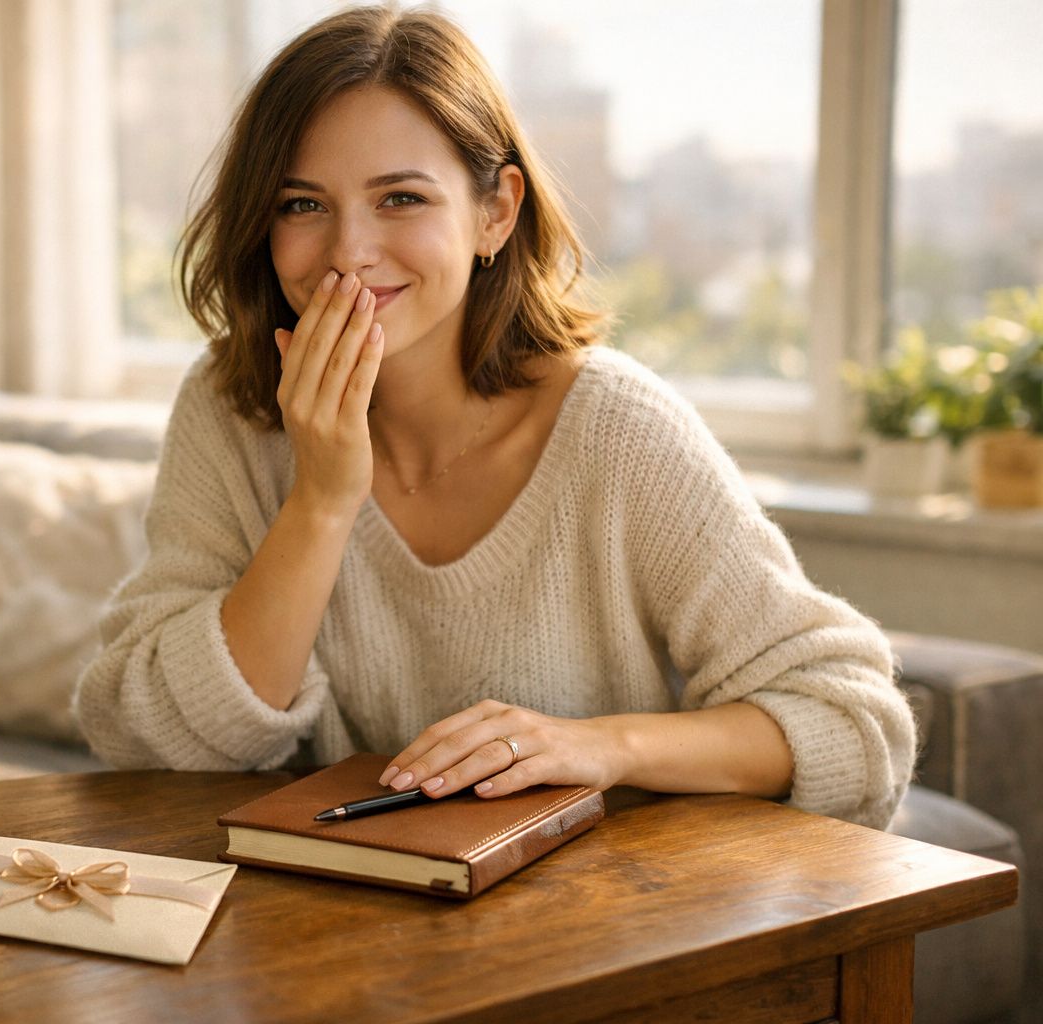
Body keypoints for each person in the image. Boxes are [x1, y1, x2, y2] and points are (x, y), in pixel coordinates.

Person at [74, 5, 915, 829]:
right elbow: (147, 740)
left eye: (400, 198)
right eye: (302, 205)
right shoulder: (232, 411)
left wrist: (599, 748)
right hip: (327, 933)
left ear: (495, 213)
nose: (348, 251)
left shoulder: (617, 430)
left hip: (593, 928)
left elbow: (855, 726)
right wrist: (322, 502)